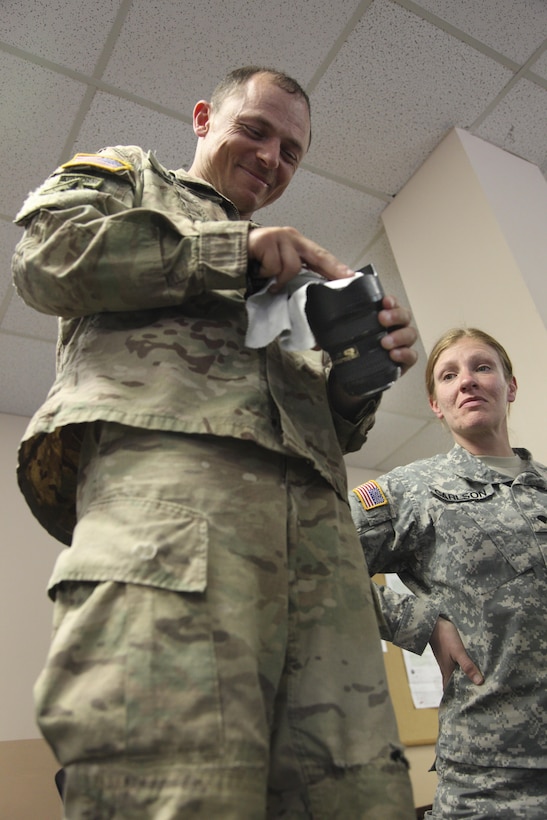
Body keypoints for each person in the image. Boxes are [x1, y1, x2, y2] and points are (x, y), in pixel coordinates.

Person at [12, 66, 418, 819]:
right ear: (203, 117)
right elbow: (46, 256)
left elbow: (325, 422)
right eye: (255, 130)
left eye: (291, 151)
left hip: (319, 557)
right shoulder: (132, 180)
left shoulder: (295, 285)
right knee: (176, 783)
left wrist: (361, 377)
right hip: (174, 526)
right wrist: (229, 252)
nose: (271, 158)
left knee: (355, 792)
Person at [350, 327, 547, 819]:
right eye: (449, 375)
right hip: (494, 777)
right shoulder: (412, 489)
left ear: (511, 386)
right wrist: (420, 621)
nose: (468, 382)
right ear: (436, 405)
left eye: (483, 367)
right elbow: (318, 557)